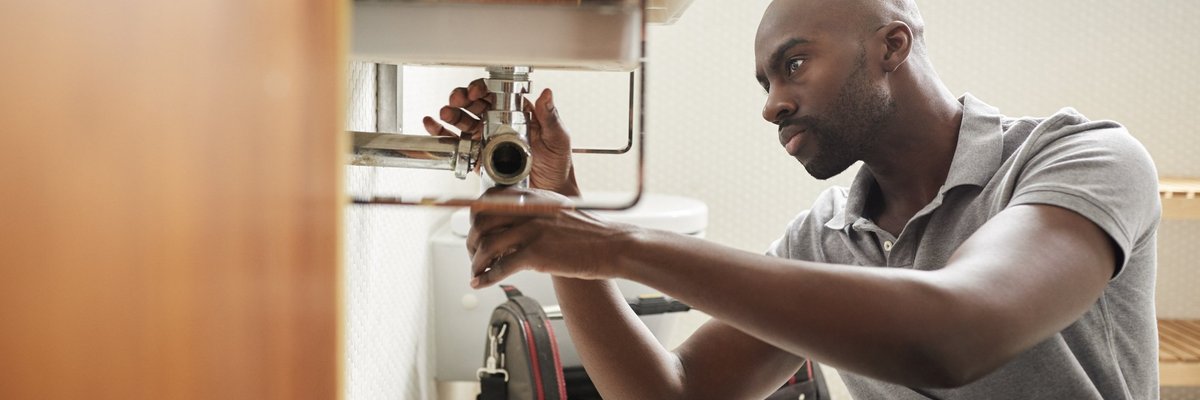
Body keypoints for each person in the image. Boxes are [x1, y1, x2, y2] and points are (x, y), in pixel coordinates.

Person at [424, 0, 1161, 398]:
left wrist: (613, 244)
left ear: (892, 46)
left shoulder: (1079, 157)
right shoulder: (826, 237)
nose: (773, 105)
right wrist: (567, 212)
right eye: (765, 83)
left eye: (794, 65)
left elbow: (954, 336)